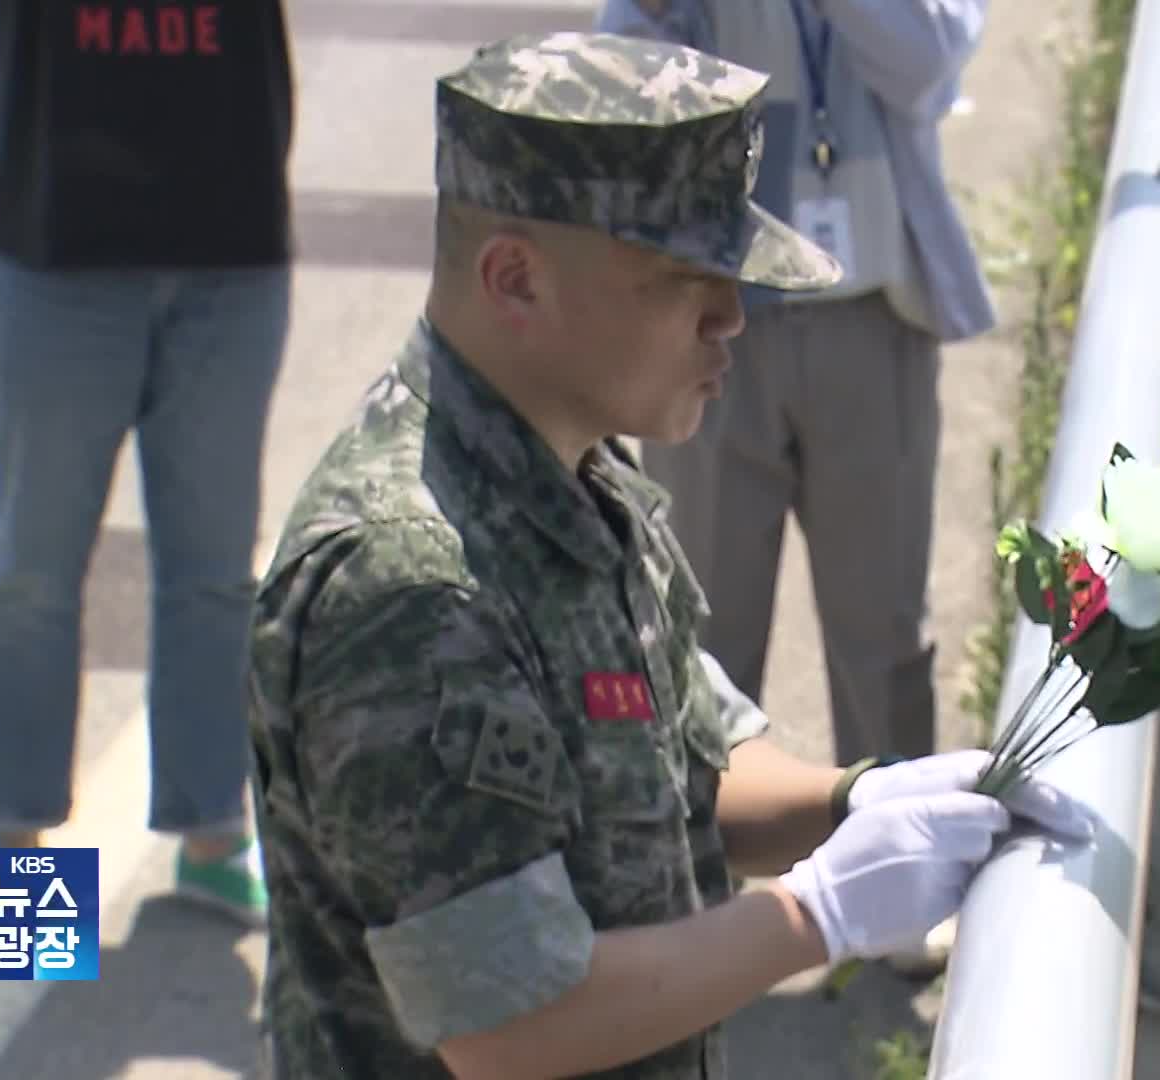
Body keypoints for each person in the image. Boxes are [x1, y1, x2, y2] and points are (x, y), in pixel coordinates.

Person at [245, 31, 1089, 1079]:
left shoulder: (574, 474)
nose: (736, 315)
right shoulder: (411, 581)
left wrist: (856, 802)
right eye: (684, 279)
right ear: (516, 279)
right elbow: (507, 1026)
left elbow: (688, 764)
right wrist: (814, 915)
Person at [0, 0, 294, 936]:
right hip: (58, 248)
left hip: (229, 250)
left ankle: (211, 836)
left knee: (212, 576)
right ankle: (17, 858)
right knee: (32, 572)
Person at [595, 0, 995, 770]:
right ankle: (702, 877)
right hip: (707, 318)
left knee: (883, 646)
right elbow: (628, 88)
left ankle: (897, 874)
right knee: (699, 643)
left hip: (873, 319)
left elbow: (928, 64)